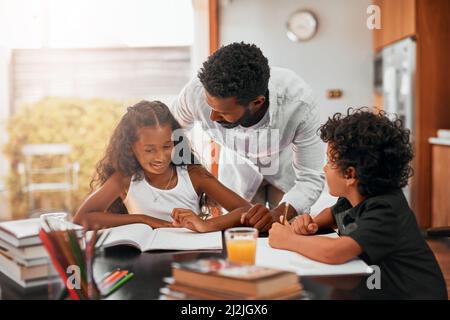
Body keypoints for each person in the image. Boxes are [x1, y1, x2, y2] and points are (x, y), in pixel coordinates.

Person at [268, 108, 448, 299]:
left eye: (330, 161)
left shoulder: (386, 210)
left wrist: (288, 240)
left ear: (350, 175)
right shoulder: (355, 198)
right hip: (378, 286)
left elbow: (334, 252)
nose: (325, 168)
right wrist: (310, 224)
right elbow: (331, 215)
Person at [171, 42, 324, 230]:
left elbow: (311, 177)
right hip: (238, 169)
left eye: (223, 112)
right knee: (240, 233)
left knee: (284, 230)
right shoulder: (194, 93)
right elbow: (173, 130)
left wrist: (276, 215)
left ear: (257, 102)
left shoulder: (299, 104)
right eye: (211, 107)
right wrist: (195, 176)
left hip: (284, 168)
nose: (212, 116)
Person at [74, 100, 270, 232]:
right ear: (130, 147)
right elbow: (83, 218)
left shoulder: (194, 175)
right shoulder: (125, 178)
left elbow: (246, 210)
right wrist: (144, 219)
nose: (161, 157)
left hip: (189, 259)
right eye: (149, 150)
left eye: (167, 146)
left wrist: (205, 225)